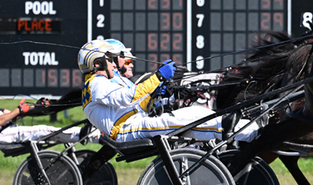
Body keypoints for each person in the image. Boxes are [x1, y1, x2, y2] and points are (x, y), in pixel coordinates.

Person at [79, 40, 259, 143]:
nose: (113, 63)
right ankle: (247, 133)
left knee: (194, 112)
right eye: (109, 59)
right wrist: (157, 77)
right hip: (128, 130)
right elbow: (128, 97)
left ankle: (243, 125)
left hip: (135, 123)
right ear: (97, 63)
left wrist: (158, 92)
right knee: (183, 120)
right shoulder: (96, 83)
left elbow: (134, 101)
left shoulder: (104, 82)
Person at [0, 99, 98, 144]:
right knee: (43, 130)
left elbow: (12, 116)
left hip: (10, 130)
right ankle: (86, 135)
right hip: (4, 134)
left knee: (47, 130)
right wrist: (19, 110)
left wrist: (35, 107)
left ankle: (90, 134)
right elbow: (2, 120)